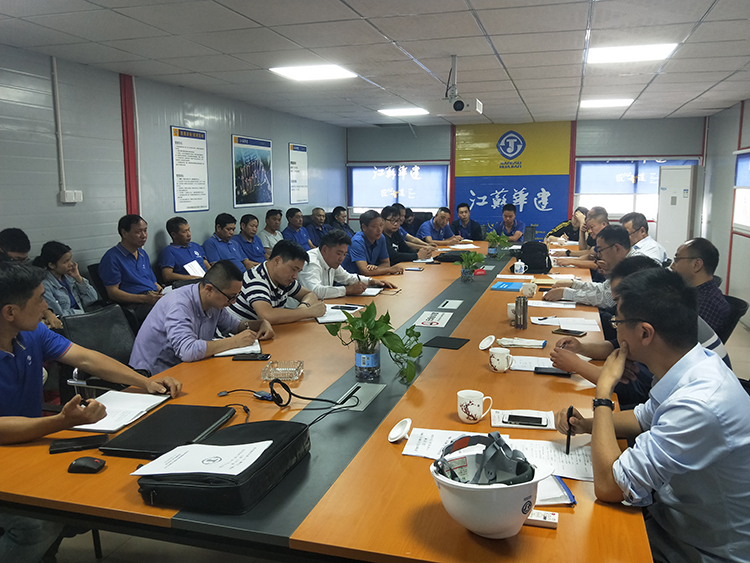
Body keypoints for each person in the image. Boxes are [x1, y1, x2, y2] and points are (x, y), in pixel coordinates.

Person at [554, 268, 750, 562]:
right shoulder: (689, 363)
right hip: (671, 517)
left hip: (698, 549)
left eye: (618, 322)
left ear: (645, 333)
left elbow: (608, 486)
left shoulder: (699, 404)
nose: (615, 330)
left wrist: (604, 391)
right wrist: (586, 425)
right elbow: (641, 418)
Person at [0, 264, 182, 563]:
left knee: (89, 494)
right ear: (10, 312)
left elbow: (86, 358)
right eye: (40, 299)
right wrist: (61, 422)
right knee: (37, 524)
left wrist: (144, 381)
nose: (46, 307)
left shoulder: (31, 333)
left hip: (28, 447)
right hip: (12, 453)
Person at [550, 255, 732, 409]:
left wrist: (579, 366)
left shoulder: (663, 333)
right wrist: (582, 348)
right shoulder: (666, 312)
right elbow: (619, 346)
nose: (616, 307)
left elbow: (634, 391)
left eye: (619, 299)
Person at [129, 260, 273, 375]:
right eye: (231, 297)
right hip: (153, 376)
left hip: (185, 369)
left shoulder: (214, 302)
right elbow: (187, 351)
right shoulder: (179, 305)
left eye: (236, 296)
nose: (234, 302)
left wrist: (261, 323)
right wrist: (234, 342)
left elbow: (234, 326)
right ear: (209, 289)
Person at [228, 240, 326, 325]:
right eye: (293, 269)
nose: (295, 276)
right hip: (240, 334)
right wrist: (308, 312)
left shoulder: (283, 279)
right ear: (277, 261)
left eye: (298, 271)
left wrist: (303, 308)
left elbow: (309, 294)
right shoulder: (256, 278)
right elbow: (267, 315)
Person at [543, 225, 634, 309]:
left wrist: (566, 293)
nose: (599, 256)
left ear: (617, 248)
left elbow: (606, 300)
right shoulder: (625, 261)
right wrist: (573, 284)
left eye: (600, 251)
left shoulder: (633, 266)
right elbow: (603, 288)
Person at [99, 215, 162, 326]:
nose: (144, 236)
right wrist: (145, 299)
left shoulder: (142, 254)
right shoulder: (112, 258)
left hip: (151, 297)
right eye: (138, 232)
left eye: (145, 230)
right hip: (134, 303)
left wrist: (164, 293)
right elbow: (113, 293)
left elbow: (153, 282)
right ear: (124, 233)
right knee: (167, 313)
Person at [299, 230, 396, 299]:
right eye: (338, 253)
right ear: (325, 249)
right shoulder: (311, 262)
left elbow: (347, 277)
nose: (341, 258)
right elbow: (314, 291)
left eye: (344, 254)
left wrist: (372, 281)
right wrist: (347, 290)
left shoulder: (331, 261)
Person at [670, 237, 730, 335]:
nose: (672, 266)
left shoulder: (707, 304)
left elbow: (683, 339)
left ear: (696, 265)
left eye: (677, 260)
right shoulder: (694, 293)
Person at [34, 241, 98, 320]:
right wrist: (81, 313)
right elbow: (58, 313)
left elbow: (92, 298)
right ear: (52, 265)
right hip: (68, 322)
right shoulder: (45, 285)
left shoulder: (69, 277)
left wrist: (78, 278)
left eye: (70, 260)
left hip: (81, 319)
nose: (71, 264)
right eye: (65, 262)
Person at [341, 210, 404, 276]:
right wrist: (389, 270)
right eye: (375, 226)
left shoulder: (381, 238)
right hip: (350, 279)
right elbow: (365, 271)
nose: (379, 230)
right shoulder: (357, 242)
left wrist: (375, 269)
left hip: (368, 278)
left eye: (381, 225)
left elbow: (386, 263)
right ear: (364, 227)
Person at [160, 217, 210, 284]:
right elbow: (167, 276)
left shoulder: (195, 246)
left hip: (206, 281)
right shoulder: (169, 251)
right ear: (174, 235)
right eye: (184, 232)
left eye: (189, 230)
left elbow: (207, 265)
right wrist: (192, 278)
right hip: (189, 284)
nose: (189, 234)